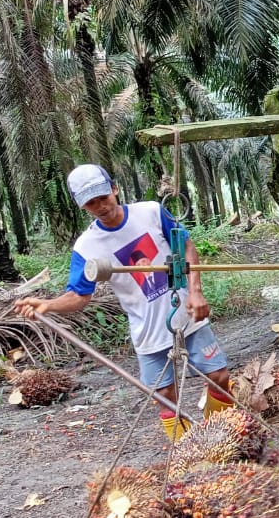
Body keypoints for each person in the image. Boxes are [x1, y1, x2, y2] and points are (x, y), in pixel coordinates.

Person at [15, 164, 234, 442]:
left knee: (218, 375)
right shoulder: (87, 247)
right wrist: (47, 305)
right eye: (91, 203)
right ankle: (188, 452)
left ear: (114, 189)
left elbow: (186, 246)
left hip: (185, 312)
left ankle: (222, 435)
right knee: (165, 396)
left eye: (103, 197)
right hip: (147, 328)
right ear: (83, 207)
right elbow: (79, 296)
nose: (100, 206)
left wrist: (195, 291)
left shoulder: (151, 212)